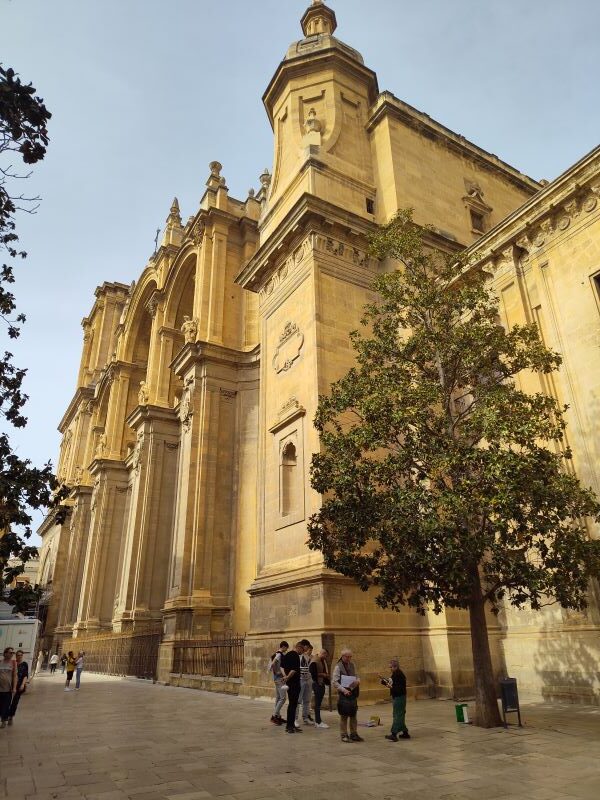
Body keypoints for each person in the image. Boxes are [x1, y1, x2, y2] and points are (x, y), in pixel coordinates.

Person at [332, 648, 363, 743]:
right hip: (344, 693)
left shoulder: (353, 665)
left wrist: (358, 681)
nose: (349, 658)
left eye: (350, 657)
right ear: (342, 656)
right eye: (347, 657)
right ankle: (344, 735)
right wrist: (344, 690)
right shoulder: (338, 667)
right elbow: (334, 682)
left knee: (353, 714)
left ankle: (354, 734)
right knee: (344, 715)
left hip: (353, 693)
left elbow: (357, 676)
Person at [380, 658, 410, 741]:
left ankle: (394, 734)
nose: (390, 669)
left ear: (395, 667)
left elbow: (396, 687)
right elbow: (391, 682)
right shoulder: (396, 674)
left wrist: (387, 684)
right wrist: (384, 681)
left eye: (391, 667)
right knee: (400, 714)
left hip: (399, 697)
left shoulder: (398, 674)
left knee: (397, 715)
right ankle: (405, 732)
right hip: (398, 696)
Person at [280, 642, 304, 734]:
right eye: (302, 649)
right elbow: (294, 670)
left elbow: (281, 667)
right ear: (299, 647)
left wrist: (285, 676)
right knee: (293, 705)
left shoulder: (287, 655)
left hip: (289, 684)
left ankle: (291, 725)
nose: (302, 652)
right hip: (294, 683)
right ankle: (290, 726)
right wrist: (287, 677)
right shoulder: (295, 656)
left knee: (292, 704)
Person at [309, 648, 330, 728]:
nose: (325, 657)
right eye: (325, 655)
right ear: (323, 653)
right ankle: (318, 722)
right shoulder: (315, 661)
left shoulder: (321, 660)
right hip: (317, 684)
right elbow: (312, 673)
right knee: (317, 704)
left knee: (318, 703)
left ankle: (318, 721)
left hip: (321, 683)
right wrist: (323, 675)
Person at [269, 641, 289, 725]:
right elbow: (273, 664)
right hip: (279, 678)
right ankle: (274, 716)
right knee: (283, 698)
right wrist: (276, 672)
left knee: (278, 698)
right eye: (286, 648)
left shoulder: (276, 654)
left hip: (276, 679)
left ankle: (278, 716)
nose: (286, 650)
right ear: (283, 647)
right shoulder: (279, 654)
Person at [7, 650, 29, 726]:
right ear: (15, 656)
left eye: (21, 655)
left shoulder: (24, 664)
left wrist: (23, 684)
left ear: (22, 656)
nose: (19, 656)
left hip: (19, 685)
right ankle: (5, 716)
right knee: (7, 701)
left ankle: (10, 717)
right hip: (9, 685)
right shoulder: (13, 663)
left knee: (15, 702)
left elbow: (25, 675)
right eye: (18, 655)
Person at [296, 640, 314, 726]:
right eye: (307, 646)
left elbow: (309, 666)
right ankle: (295, 719)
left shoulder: (307, 656)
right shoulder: (296, 656)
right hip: (300, 679)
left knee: (307, 700)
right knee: (298, 700)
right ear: (303, 646)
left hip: (308, 679)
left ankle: (305, 717)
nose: (307, 648)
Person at [0, 647, 17, 729]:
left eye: (12, 653)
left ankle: (3, 720)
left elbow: (14, 676)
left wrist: (14, 687)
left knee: (6, 705)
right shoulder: (0, 662)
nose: (12, 654)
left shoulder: (13, 663)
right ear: (5, 653)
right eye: (10, 652)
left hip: (8, 689)